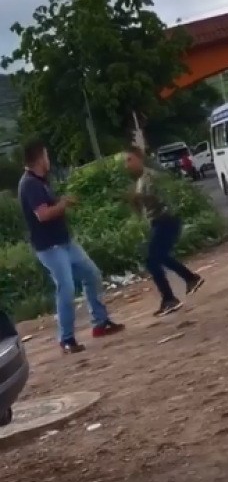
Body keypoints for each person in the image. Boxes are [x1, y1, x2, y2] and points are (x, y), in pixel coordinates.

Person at [17, 139, 124, 354]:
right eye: (46, 156)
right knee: (65, 288)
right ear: (39, 158)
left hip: (64, 243)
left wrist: (62, 202)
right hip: (50, 247)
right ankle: (66, 339)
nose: (48, 160)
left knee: (92, 274)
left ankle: (100, 323)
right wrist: (63, 204)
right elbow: (43, 214)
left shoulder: (39, 180)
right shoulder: (30, 184)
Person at [123, 146, 204, 317]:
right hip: (159, 223)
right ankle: (190, 279)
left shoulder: (151, 177)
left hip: (166, 221)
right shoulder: (141, 180)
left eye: (129, 159)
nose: (127, 164)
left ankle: (169, 298)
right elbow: (143, 206)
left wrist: (141, 198)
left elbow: (163, 199)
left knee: (152, 261)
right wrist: (135, 202)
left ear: (139, 158)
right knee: (160, 257)